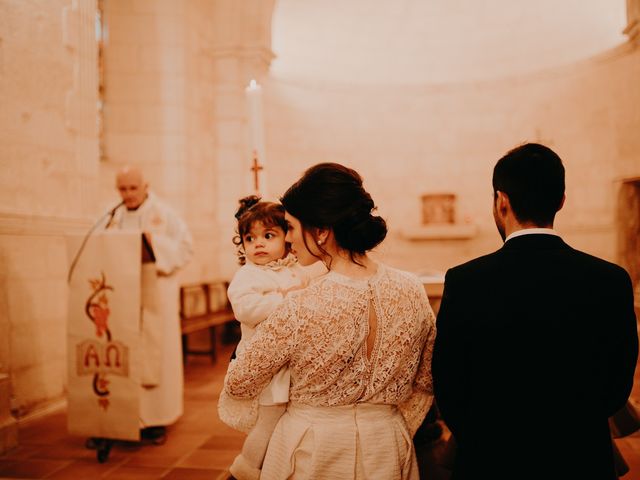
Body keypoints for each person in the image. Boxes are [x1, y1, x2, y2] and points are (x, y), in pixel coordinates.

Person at [431, 143, 638, 479]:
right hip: (581, 458)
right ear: (561, 201)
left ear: (501, 200)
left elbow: (449, 387)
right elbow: (617, 386)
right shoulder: (610, 280)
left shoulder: (465, 281)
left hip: (490, 459)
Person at [224, 163, 436, 479]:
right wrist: (383, 422)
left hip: (312, 449)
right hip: (388, 445)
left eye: (292, 227)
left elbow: (239, 383)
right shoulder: (411, 289)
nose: (289, 239)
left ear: (321, 231)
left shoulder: (299, 302)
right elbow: (425, 382)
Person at [219, 195, 321, 479]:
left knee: (286, 420)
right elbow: (246, 309)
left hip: (291, 361)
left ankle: (273, 467)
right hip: (266, 362)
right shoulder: (248, 276)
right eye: (250, 239)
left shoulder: (294, 270)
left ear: (287, 239)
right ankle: (244, 470)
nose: (259, 243)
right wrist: (286, 300)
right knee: (268, 421)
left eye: (268, 235)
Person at [105, 165, 193, 443]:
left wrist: (155, 245)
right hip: (123, 299)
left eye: (133, 187)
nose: (128, 194)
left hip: (156, 297)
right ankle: (122, 417)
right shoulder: (111, 217)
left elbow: (185, 248)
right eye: (123, 188)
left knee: (158, 355)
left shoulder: (164, 215)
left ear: (146, 186)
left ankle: (156, 418)